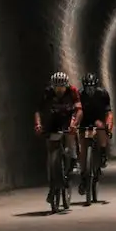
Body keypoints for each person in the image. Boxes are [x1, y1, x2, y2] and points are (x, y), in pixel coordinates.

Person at [34, 72, 82, 203]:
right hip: (53, 119)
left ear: (66, 86)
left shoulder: (72, 91)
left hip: (68, 118)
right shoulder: (48, 92)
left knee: (71, 134)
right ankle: (52, 183)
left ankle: (73, 159)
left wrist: (74, 124)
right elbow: (38, 110)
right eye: (56, 88)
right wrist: (38, 124)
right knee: (51, 150)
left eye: (61, 88)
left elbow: (79, 110)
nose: (59, 90)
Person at [77, 73, 113, 195]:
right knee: (83, 147)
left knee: (100, 126)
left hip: (98, 118)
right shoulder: (80, 95)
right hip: (85, 120)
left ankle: (102, 153)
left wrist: (108, 126)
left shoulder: (102, 94)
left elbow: (108, 113)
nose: (90, 90)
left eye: (92, 87)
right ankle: (83, 175)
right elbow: (76, 110)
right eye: (88, 87)